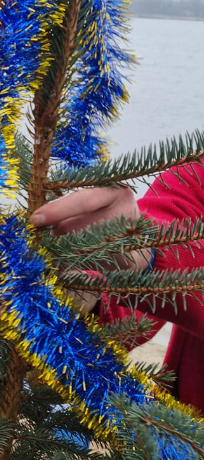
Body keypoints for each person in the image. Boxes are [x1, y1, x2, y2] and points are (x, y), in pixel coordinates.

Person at [32, 165, 204, 413]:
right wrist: (93, 292)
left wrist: (146, 258)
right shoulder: (196, 171)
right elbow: (135, 316)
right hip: (182, 426)